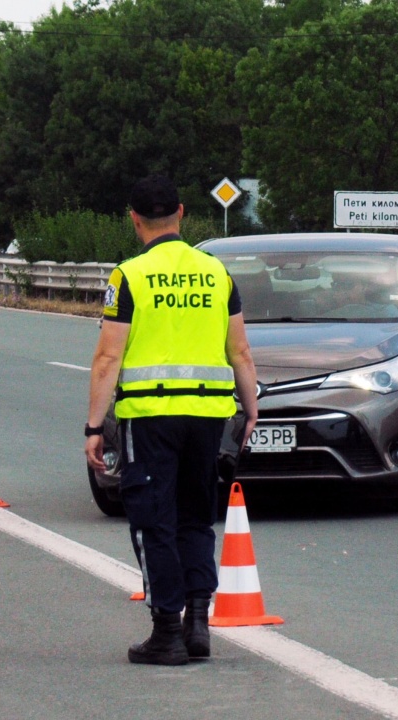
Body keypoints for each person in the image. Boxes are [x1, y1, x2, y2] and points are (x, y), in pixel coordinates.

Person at [84, 174, 258, 666]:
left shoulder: (129, 276)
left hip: (151, 415)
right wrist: (251, 409)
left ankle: (167, 631)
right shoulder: (216, 273)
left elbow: (106, 359)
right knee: (196, 517)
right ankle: (198, 622)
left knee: (152, 520)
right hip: (208, 415)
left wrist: (95, 428)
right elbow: (240, 351)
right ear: (182, 213)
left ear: (133, 218)